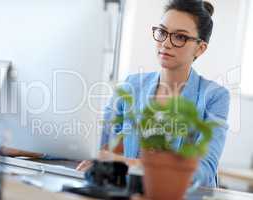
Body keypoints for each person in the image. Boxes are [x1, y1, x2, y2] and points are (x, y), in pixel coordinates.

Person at [77, 0, 230, 188]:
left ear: (200, 48)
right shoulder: (132, 85)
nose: (166, 43)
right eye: (162, 32)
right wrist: (42, 149)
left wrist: (128, 163)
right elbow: (93, 142)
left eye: (180, 37)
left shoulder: (215, 96)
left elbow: (204, 171)